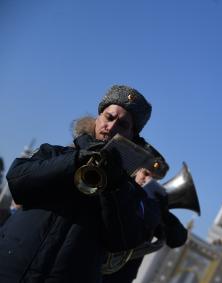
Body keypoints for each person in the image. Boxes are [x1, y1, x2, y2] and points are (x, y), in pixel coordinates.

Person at [0, 85, 187, 282]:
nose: (112, 126)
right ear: (98, 118)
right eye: (109, 117)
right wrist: (75, 161)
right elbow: (17, 181)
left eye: (122, 125)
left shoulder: (129, 190)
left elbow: (123, 239)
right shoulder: (54, 153)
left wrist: (115, 185)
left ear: (132, 135)